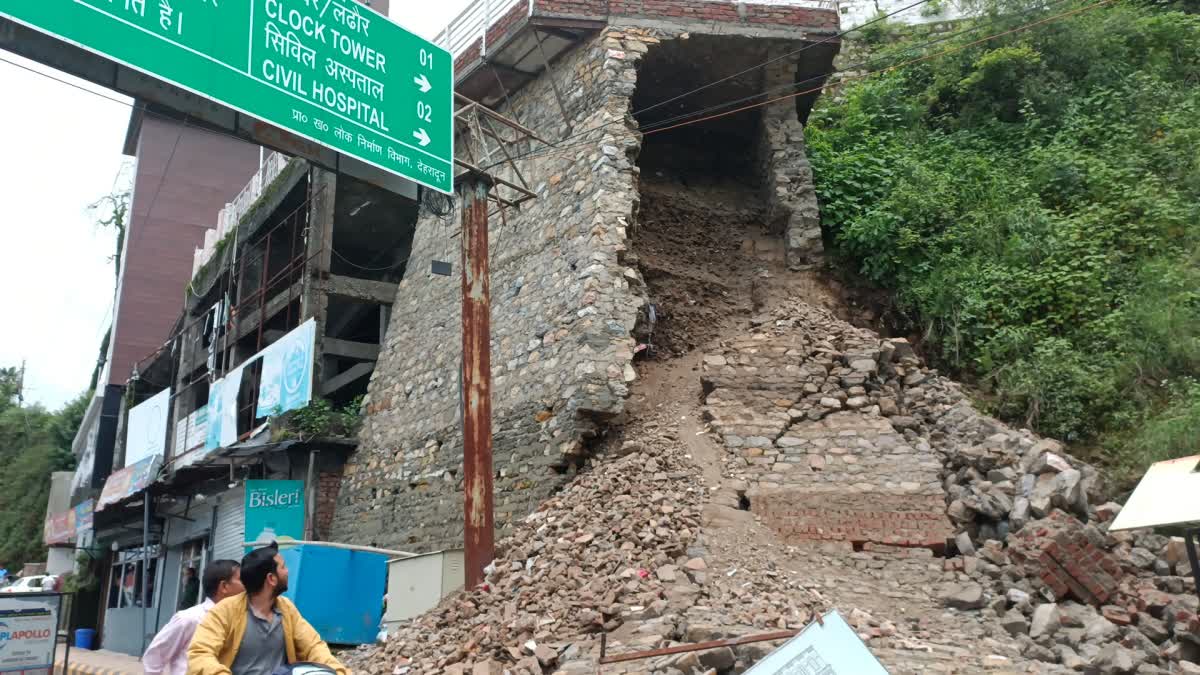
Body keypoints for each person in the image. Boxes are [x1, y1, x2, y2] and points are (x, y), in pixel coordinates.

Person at [187, 543, 346, 675]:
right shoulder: (225, 611)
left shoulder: (286, 608)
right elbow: (200, 654)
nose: (287, 571)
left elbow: (313, 647)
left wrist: (338, 672)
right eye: (283, 567)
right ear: (271, 579)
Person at [143, 560, 243, 675]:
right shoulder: (190, 618)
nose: (248, 585)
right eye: (242, 580)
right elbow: (155, 656)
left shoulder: (242, 620)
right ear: (224, 586)